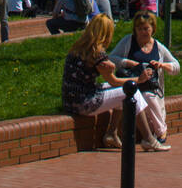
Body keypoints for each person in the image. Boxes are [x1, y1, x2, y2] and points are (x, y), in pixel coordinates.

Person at [61, 15, 170, 151]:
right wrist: (139, 80)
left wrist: (111, 66)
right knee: (131, 91)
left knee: (121, 92)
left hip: (70, 100)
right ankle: (149, 139)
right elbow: (114, 81)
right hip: (84, 102)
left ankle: (111, 133)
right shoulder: (97, 52)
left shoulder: (79, 47)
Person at [110, 11, 180, 144]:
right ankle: (157, 133)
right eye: (139, 29)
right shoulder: (128, 41)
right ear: (135, 29)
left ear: (153, 29)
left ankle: (159, 132)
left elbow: (176, 66)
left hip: (152, 88)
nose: (143, 32)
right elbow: (111, 59)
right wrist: (127, 62)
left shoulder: (158, 47)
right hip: (132, 86)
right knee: (141, 97)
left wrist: (162, 65)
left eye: (146, 28)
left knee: (148, 96)